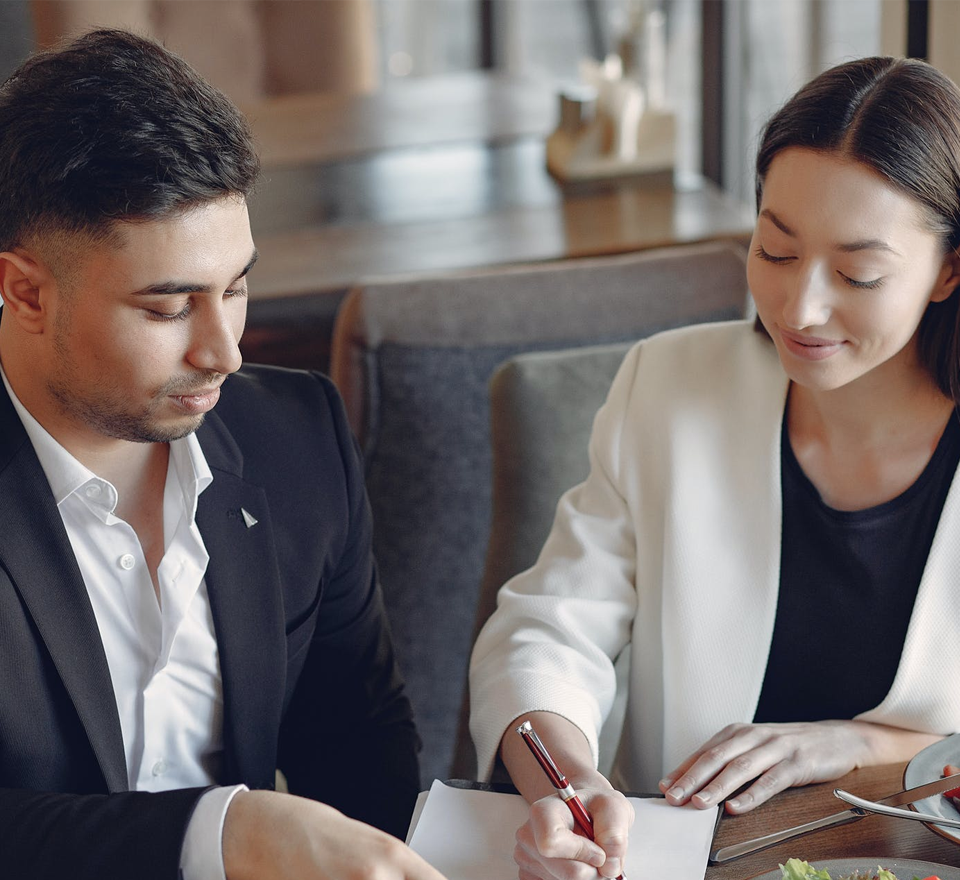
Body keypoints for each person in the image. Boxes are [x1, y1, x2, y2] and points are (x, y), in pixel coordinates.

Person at [469, 54, 960, 880]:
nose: (801, 309)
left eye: (857, 273)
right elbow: (547, 630)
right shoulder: (667, 387)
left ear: (950, 268)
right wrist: (566, 780)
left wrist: (867, 742)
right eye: (775, 250)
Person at [0, 29, 445, 880]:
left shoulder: (297, 439)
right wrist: (220, 835)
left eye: (236, 287)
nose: (225, 352)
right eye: (169, 309)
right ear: (26, 290)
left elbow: (358, 745)